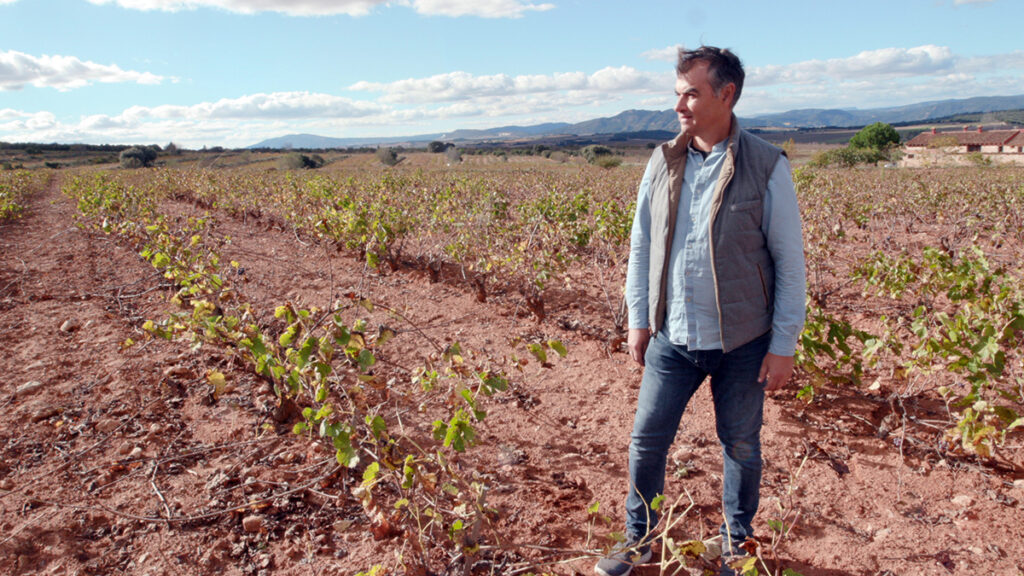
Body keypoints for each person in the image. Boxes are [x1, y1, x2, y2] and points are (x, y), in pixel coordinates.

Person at [595, 45, 806, 576]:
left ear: (726, 94)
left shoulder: (767, 165)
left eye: (691, 94)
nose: (679, 106)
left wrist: (783, 345)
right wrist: (639, 319)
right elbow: (642, 245)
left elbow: (789, 261)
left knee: (741, 444)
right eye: (677, 94)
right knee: (646, 441)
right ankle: (639, 539)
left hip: (744, 341)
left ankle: (737, 544)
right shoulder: (662, 161)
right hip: (673, 336)